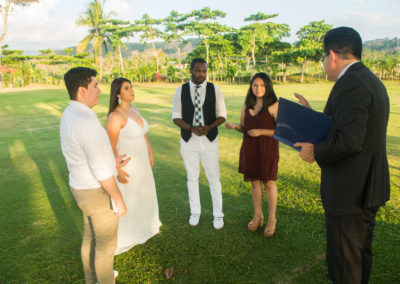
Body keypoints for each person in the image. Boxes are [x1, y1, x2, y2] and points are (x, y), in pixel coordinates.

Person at [294, 27, 390, 284]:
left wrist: (316, 151)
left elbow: (349, 140)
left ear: (333, 55)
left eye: (323, 58)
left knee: (345, 264)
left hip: (351, 195)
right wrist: (312, 117)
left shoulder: (350, 84)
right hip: (366, 189)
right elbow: (349, 126)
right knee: (359, 257)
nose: (324, 65)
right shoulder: (369, 80)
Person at [60, 67, 128, 284]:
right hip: (96, 192)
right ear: (81, 90)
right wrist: (118, 199)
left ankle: (92, 280)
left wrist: (112, 161)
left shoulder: (70, 113)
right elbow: (100, 170)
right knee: (106, 247)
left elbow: (85, 154)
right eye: (95, 85)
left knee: (90, 237)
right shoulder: (87, 122)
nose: (99, 90)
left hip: (80, 188)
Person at [106, 77, 161, 255]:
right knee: (129, 196)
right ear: (118, 94)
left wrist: (150, 153)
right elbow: (110, 146)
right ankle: (128, 235)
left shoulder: (134, 109)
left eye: (131, 87)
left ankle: (148, 226)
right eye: (127, 88)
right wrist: (118, 170)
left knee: (145, 192)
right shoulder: (115, 116)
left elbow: (143, 134)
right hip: (127, 164)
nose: (132, 90)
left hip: (143, 160)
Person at [172, 58, 227, 230]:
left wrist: (209, 127)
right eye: (197, 70)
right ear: (190, 70)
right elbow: (176, 116)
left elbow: (222, 115)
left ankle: (218, 215)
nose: (201, 74)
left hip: (210, 140)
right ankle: (195, 212)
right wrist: (191, 128)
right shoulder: (180, 90)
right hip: (189, 141)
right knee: (192, 177)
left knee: (214, 179)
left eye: (204, 71)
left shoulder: (214, 89)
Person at [225, 72, 279, 237]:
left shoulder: (274, 105)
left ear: (268, 86)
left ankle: (271, 219)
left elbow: (281, 131)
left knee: (268, 182)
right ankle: (257, 215)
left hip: (267, 148)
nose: (258, 88)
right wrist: (236, 127)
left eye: (262, 85)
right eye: (255, 85)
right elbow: (244, 127)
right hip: (250, 147)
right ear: (251, 87)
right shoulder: (247, 104)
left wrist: (261, 131)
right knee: (255, 183)